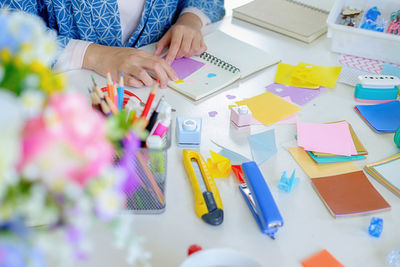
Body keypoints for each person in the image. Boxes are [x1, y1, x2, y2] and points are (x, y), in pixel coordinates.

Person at [1, 0, 225, 88]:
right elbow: (9, 33)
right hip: (74, 101)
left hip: (160, 95)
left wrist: (191, 19)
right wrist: (95, 56)